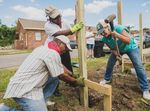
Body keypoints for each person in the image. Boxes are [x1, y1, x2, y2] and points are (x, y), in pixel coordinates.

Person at [0, 35, 84, 111]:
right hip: (25, 90)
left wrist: (72, 75)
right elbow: (61, 75)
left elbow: (60, 66)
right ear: (59, 43)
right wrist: (75, 82)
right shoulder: (52, 53)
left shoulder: (43, 49)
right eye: (65, 48)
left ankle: (42, 101)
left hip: (26, 84)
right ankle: (4, 109)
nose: (65, 51)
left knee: (54, 78)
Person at [96, 21, 150, 100]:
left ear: (107, 27)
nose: (103, 34)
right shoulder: (104, 39)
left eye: (103, 31)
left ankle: (145, 89)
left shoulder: (118, 28)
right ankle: (107, 79)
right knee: (110, 63)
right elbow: (112, 49)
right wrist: (116, 54)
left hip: (130, 47)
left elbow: (128, 41)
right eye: (101, 33)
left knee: (138, 66)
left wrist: (117, 35)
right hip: (119, 49)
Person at [44, 5, 83, 96]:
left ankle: (71, 81)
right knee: (55, 70)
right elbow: (60, 33)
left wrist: (75, 25)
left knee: (67, 64)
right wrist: (72, 29)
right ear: (49, 18)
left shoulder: (64, 21)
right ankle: (55, 89)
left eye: (59, 16)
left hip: (63, 46)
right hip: (52, 48)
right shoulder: (47, 26)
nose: (58, 19)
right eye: (55, 18)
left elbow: (71, 31)